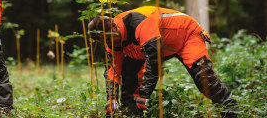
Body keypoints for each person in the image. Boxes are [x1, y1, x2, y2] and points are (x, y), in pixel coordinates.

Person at [88, 6, 239, 117]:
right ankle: (133, 113)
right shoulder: (113, 41)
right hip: (153, 45)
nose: (108, 43)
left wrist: (144, 95)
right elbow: (113, 70)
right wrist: (111, 99)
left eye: (108, 38)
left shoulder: (140, 23)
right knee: (128, 76)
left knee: (204, 79)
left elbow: (154, 61)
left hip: (186, 35)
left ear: (114, 26)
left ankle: (232, 111)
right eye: (104, 41)